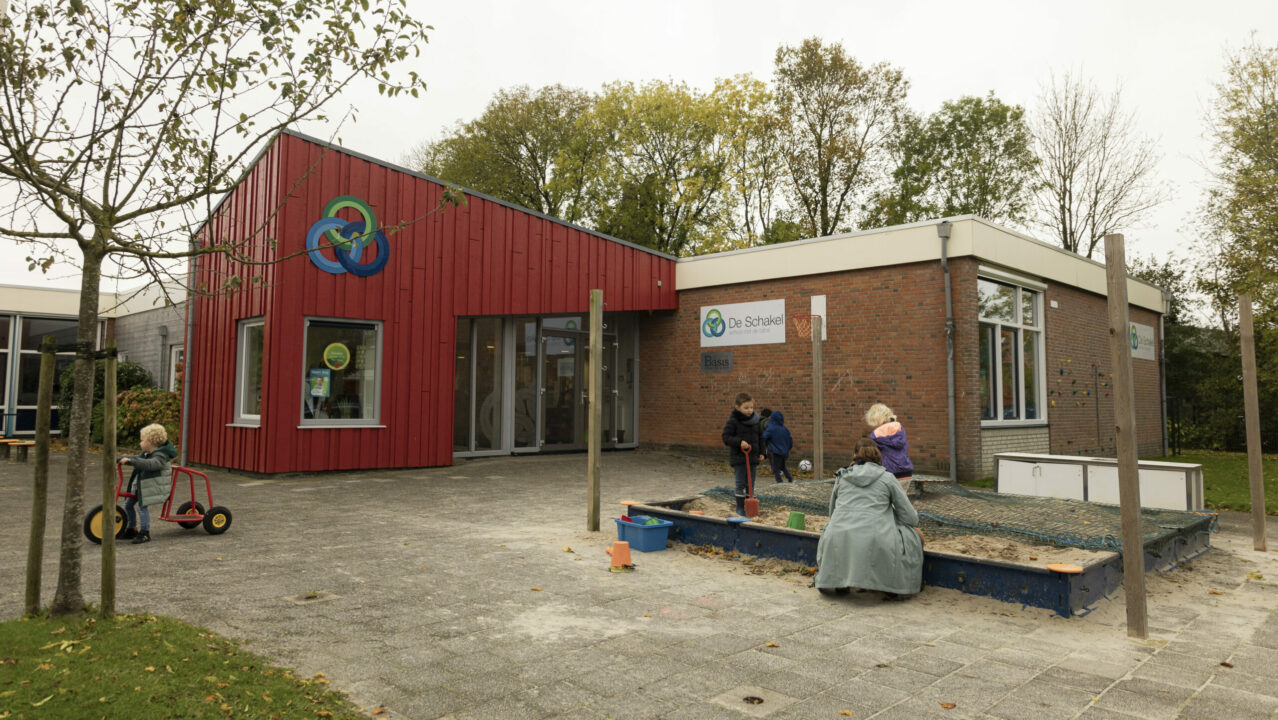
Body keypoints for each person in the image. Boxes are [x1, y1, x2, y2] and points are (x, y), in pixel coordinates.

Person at [815, 437, 923, 600]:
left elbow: (832, 514)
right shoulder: (887, 478)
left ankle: (839, 581)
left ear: (854, 455)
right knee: (915, 535)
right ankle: (890, 584)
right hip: (876, 537)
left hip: (839, 536)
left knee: (832, 530)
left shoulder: (842, 476)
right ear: (879, 456)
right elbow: (910, 518)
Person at [119, 423, 179, 545]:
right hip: (141, 487)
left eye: (141, 440)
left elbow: (150, 464)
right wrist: (123, 458)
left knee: (142, 508)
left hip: (151, 487)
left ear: (150, 441)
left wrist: (131, 462)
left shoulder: (160, 456)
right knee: (128, 505)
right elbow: (137, 458)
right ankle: (132, 529)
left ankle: (145, 533)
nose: (140, 443)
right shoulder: (146, 453)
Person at [721, 392, 764, 516]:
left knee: (751, 483)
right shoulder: (733, 421)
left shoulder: (756, 421)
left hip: (753, 457)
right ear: (737, 407)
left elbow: (761, 437)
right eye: (746, 408)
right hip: (739, 458)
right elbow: (726, 437)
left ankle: (750, 507)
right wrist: (739, 442)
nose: (749, 410)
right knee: (740, 483)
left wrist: (762, 452)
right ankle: (740, 508)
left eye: (751, 407)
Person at [865, 403, 913, 483]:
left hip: (888, 473)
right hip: (906, 471)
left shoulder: (876, 435)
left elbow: (873, 456)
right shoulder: (899, 428)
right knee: (901, 495)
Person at [762, 409, 794, 483]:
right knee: (782, 466)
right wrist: (788, 449)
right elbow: (790, 441)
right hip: (785, 452)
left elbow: (764, 437)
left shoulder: (770, 428)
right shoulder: (785, 429)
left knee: (776, 468)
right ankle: (790, 478)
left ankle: (779, 481)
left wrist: (765, 446)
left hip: (776, 452)